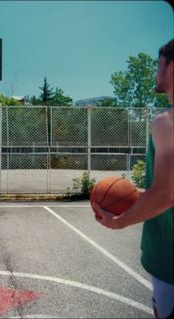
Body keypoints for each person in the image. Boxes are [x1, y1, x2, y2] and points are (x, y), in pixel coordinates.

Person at [92, 39, 174, 319]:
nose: (155, 71)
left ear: (172, 69)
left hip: (169, 260)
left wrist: (117, 222)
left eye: (159, 64)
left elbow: (166, 195)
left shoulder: (167, 122)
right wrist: (138, 194)